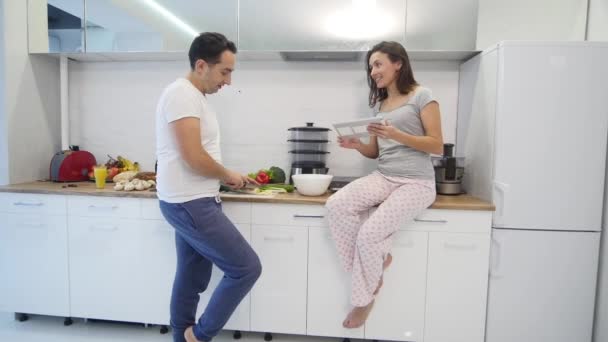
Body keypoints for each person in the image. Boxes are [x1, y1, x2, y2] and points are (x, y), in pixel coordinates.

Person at [325, 41, 444, 328]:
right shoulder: (381, 105)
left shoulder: (422, 95)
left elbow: (436, 144)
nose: (373, 71)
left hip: (416, 183)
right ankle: (378, 262)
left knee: (368, 236)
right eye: (371, 67)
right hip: (384, 176)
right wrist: (357, 145)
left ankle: (363, 300)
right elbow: (377, 152)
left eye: (378, 64)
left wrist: (397, 133)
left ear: (398, 63)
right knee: (336, 205)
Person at [155, 32, 262, 342]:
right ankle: (198, 336)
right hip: (190, 202)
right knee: (246, 268)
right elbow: (192, 157)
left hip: (191, 198)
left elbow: (198, 155)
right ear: (201, 65)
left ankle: (182, 338)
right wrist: (227, 174)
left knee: (191, 276)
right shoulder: (181, 94)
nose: (228, 81)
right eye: (224, 71)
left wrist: (227, 176)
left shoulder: (192, 96)